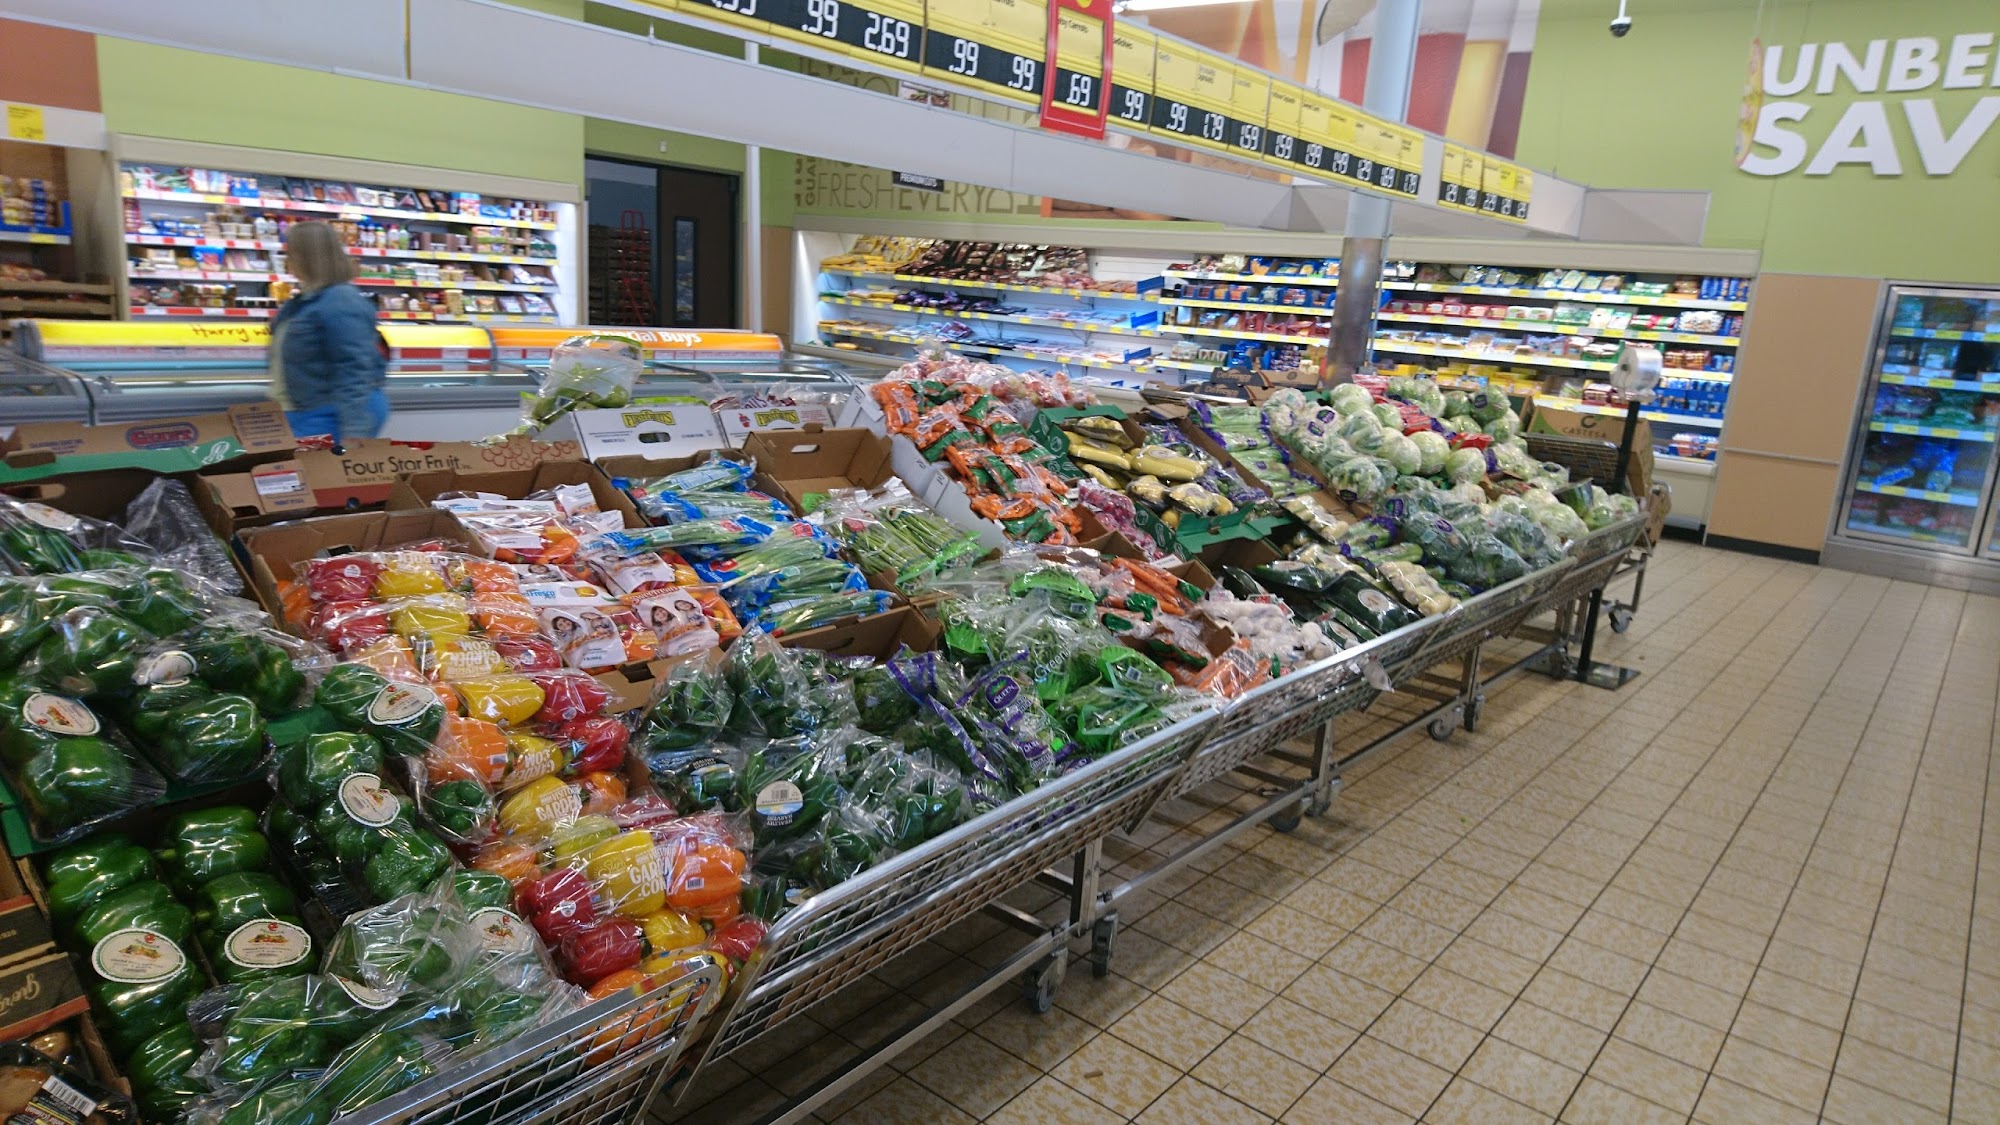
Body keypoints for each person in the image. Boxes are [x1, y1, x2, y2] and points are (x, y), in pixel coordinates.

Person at [272, 221, 389, 445]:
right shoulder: (306, 299)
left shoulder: (341, 300)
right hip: (306, 413)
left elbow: (355, 368)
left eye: (292, 253)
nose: (287, 260)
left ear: (309, 256)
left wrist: (355, 432)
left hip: (330, 416)